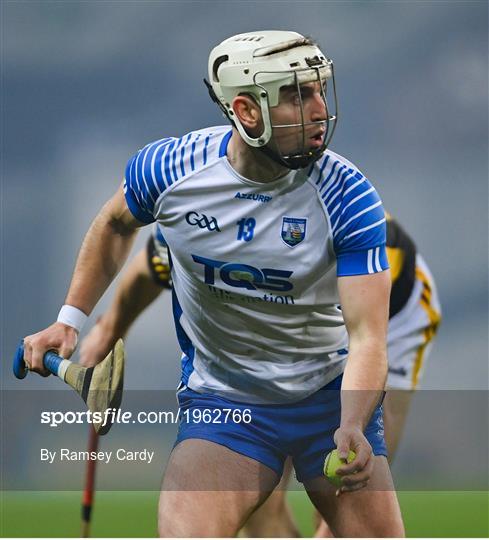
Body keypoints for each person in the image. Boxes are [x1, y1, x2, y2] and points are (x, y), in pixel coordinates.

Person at [22, 30, 405, 537]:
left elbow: (368, 336)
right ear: (247, 111)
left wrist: (353, 422)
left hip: (328, 400)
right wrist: (71, 320)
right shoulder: (171, 168)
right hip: (226, 404)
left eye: (319, 90)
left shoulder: (348, 196)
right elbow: (116, 225)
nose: (318, 109)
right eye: (296, 95)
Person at [79, 214, 441, 537]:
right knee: (257, 495)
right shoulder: (193, 226)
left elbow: (364, 342)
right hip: (290, 325)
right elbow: (148, 269)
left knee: (348, 484)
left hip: (394, 315)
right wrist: (109, 331)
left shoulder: (319, 239)